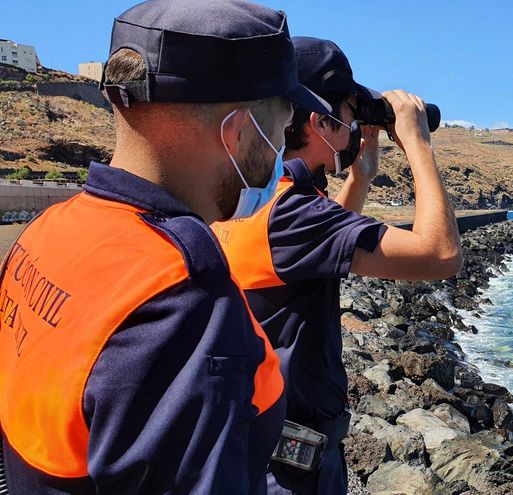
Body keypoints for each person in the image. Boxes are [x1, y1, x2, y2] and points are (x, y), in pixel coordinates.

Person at [0, 1, 333, 493]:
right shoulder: (183, 302)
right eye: (282, 133)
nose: (282, 154)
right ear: (239, 131)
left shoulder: (47, 232)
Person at [212, 37, 462, 494]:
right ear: (318, 122)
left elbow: (323, 245)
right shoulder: (296, 215)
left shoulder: (255, 194)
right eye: (349, 115)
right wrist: (418, 144)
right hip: (290, 463)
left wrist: (361, 173)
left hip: (253, 433)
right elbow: (440, 254)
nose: (353, 127)